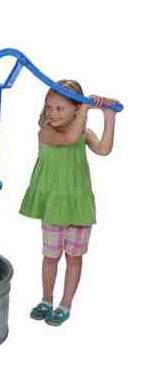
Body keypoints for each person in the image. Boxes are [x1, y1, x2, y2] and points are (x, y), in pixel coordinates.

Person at [19, 80, 118, 327]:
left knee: (74, 257)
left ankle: (65, 304)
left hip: (78, 204)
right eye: (49, 107)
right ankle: (46, 299)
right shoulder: (46, 132)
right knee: (50, 256)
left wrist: (109, 117)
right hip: (53, 205)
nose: (52, 113)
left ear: (75, 109)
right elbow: (70, 137)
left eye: (60, 108)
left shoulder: (84, 133)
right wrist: (86, 108)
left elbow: (104, 149)